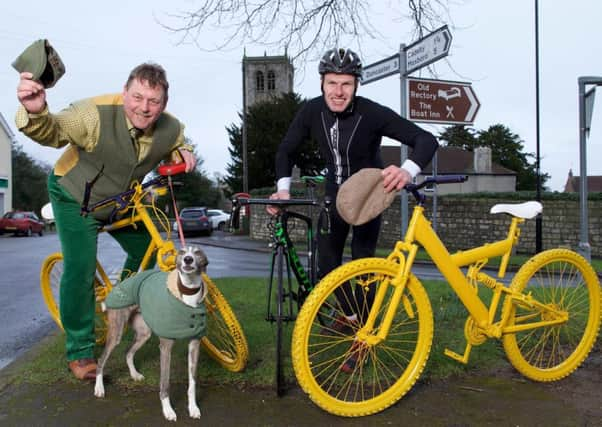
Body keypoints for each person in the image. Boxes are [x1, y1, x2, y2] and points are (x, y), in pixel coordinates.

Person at [15, 62, 196, 381]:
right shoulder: (93, 114)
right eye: (137, 97)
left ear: (163, 104)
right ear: (124, 92)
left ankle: (121, 301)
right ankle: (80, 349)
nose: (144, 108)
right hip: (74, 197)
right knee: (80, 268)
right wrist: (36, 112)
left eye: (153, 101)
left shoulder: (169, 126)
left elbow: (178, 143)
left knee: (150, 245)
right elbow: (53, 130)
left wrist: (183, 151)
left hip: (120, 201)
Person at [268, 48, 438, 372]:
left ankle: (365, 337)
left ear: (356, 84)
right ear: (322, 82)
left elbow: (425, 139)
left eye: (346, 83)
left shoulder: (372, 113)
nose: (338, 91)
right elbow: (286, 149)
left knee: (363, 266)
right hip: (334, 193)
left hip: (369, 195)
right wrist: (283, 190)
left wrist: (407, 170)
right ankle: (351, 317)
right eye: (332, 83)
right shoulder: (311, 111)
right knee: (325, 265)